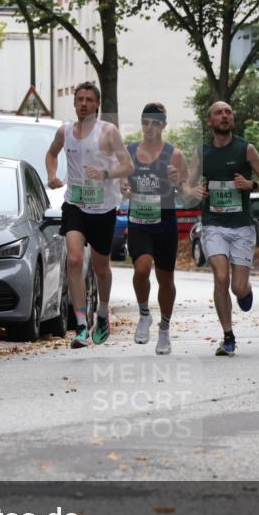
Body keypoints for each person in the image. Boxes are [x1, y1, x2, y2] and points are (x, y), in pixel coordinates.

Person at [182, 101, 259, 356]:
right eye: (218, 113)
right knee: (220, 276)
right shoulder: (202, 153)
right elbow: (186, 187)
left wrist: (251, 185)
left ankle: (246, 291)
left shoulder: (246, 149)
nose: (224, 116)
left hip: (242, 227)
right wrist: (194, 190)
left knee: (237, 287)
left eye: (228, 112)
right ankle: (228, 335)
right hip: (213, 224)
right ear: (210, 121)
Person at [46, 81, 134, 348]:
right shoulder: (65, 132)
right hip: (75, 203)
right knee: (74, 259)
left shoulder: (108, 132)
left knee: (100, 267)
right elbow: (51, 154)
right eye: (79, 99)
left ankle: (103, 313)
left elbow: (127, 165)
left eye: (88, 100)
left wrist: (106, 174)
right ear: (74, 103)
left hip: (104, 207)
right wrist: (52, 176)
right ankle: (81, 325)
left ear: (97, 104)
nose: (83, 104)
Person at [120, 102, 188, 356]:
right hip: (138, 222)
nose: (150, 127)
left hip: (165, 223)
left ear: (163, 125)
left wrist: (178, 182)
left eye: (155, 123)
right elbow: (122, 182)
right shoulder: (129, 152)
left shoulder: (174, 155)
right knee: (141, 268)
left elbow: (187, 190)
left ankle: (165, 329)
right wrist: (124, 189)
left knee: (165, 279)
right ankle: (144, 314)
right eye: (146, 122)